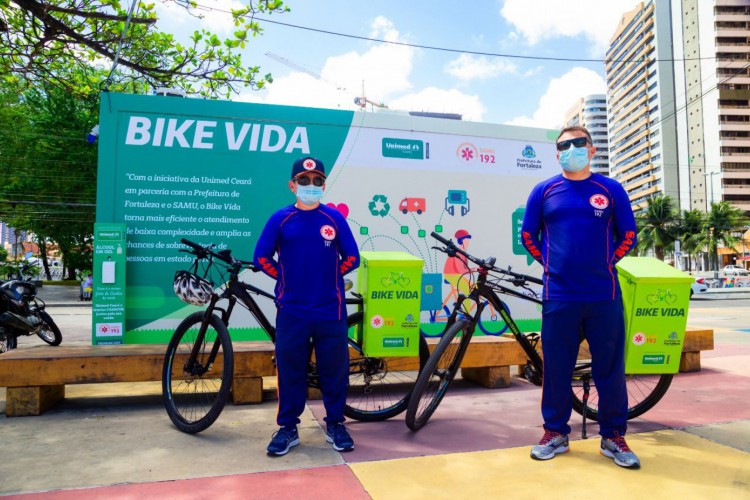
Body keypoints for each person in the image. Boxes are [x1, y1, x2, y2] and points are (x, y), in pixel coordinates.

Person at [521, 125, 639, 469]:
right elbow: (529, 235)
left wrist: (606, 263)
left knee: (610, 370)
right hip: (559, 295)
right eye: (563, 145)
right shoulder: (544, 191)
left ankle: (613, 436)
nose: (570, 149)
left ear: (591, 149)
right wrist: (551, 265)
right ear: (556, 154)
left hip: (604, 295)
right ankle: (555, 433)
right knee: (556, 369)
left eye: (577, 143)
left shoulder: (610, 189)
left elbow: (628, 234)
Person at [254, 156, 360, 456]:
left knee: (334, 370)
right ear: (292, 185)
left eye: (316, 181)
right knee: (290, 370)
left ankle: (336, 424)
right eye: (304, 180)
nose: (310, 186)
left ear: (323, 185)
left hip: (330, 309)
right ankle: (288, 428)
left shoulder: (334, 219)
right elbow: (261, 258)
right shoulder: (280, 219)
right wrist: (286, 276)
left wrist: (328, 275)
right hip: (292, 309)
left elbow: (352, 258)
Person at [443, 229, 472, 295]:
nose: (468, 242)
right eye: (466, 240)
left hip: (455, 275)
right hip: (452, 276)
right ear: (461, 241)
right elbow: (461, 270)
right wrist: (473, 270)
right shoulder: (459, 252)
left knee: (473, 286)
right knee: (467, 290)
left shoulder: (461, 251)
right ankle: (465, 305)